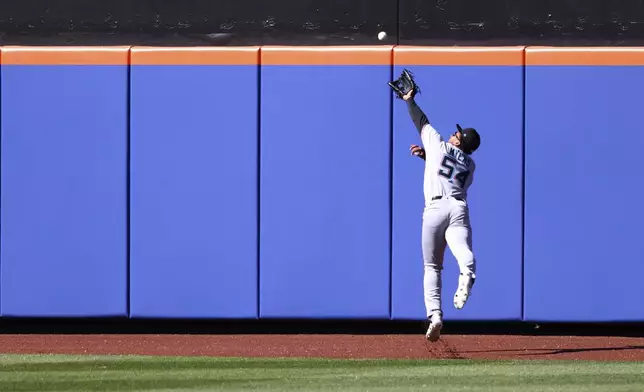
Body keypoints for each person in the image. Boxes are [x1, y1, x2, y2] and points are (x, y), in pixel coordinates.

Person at [399, 87, 481, 342]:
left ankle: (434, 315)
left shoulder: (438, 144)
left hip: (435, 209)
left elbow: (420, 120)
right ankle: (467, 272)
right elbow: (449, 174)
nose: (453, 133)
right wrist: (428, 157)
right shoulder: (470, 165)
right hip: (458, 207)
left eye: (457, 133)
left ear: (459, 140)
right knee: (460, 248)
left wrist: (409, 100)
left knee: (432, 266)